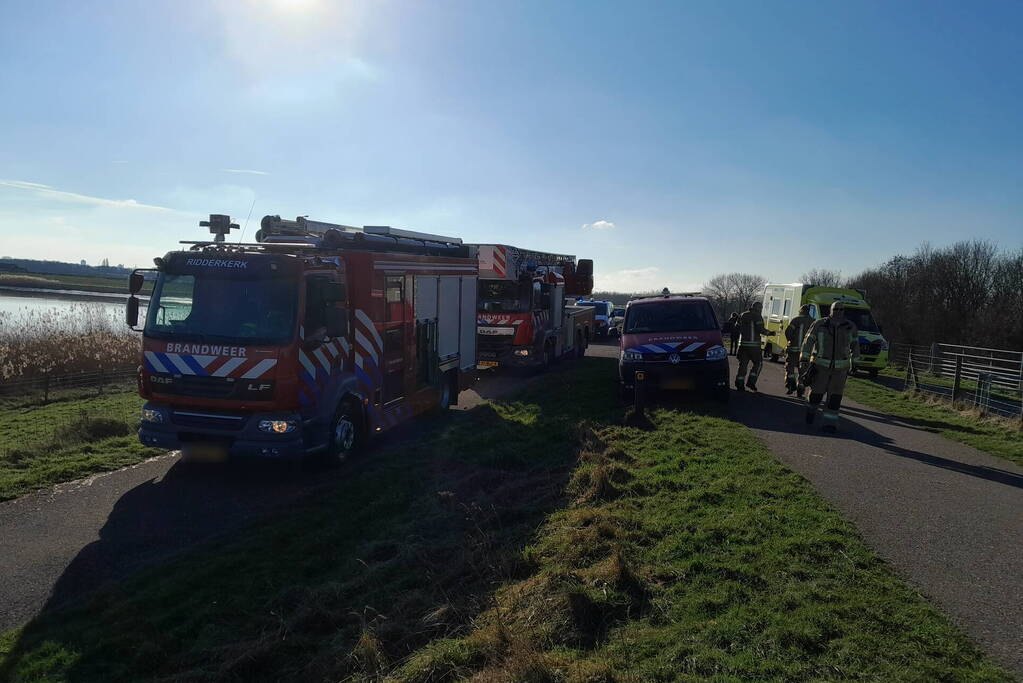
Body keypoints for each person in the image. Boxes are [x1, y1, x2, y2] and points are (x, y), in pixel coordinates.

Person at [800, 301, 860, 433]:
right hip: (820, 367)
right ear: (830, 310)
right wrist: (804, 359)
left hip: (840, 370)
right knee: (816, 395)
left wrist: (855, 363)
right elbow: (808, 341)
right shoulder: (819, 324)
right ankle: (811, 411)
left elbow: (855, 345)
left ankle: (829, 423)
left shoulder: (850, 326)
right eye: (836, 309)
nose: (838, 311)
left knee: (834, 398)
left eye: (841, 309)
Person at [734, 302, 772, 391]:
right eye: (761, 308)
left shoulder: (743, 315)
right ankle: (751, 382)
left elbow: (736, 327)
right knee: (758, 364)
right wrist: (770, 333)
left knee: (743, 365)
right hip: (754, 347)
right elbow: (760, 329)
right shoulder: (757, 316)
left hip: (742, 345)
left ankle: (739, 383)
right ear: (758, 308)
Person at [784, 304, 814, 396]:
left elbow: (788, 332)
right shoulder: (814, 322)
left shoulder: (796, 320)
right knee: (803, 372)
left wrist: (790, 341)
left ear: (801, 311)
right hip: (806, 352)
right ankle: (800, 391)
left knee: (790, 368)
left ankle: (791, 385)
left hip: (794, 350)